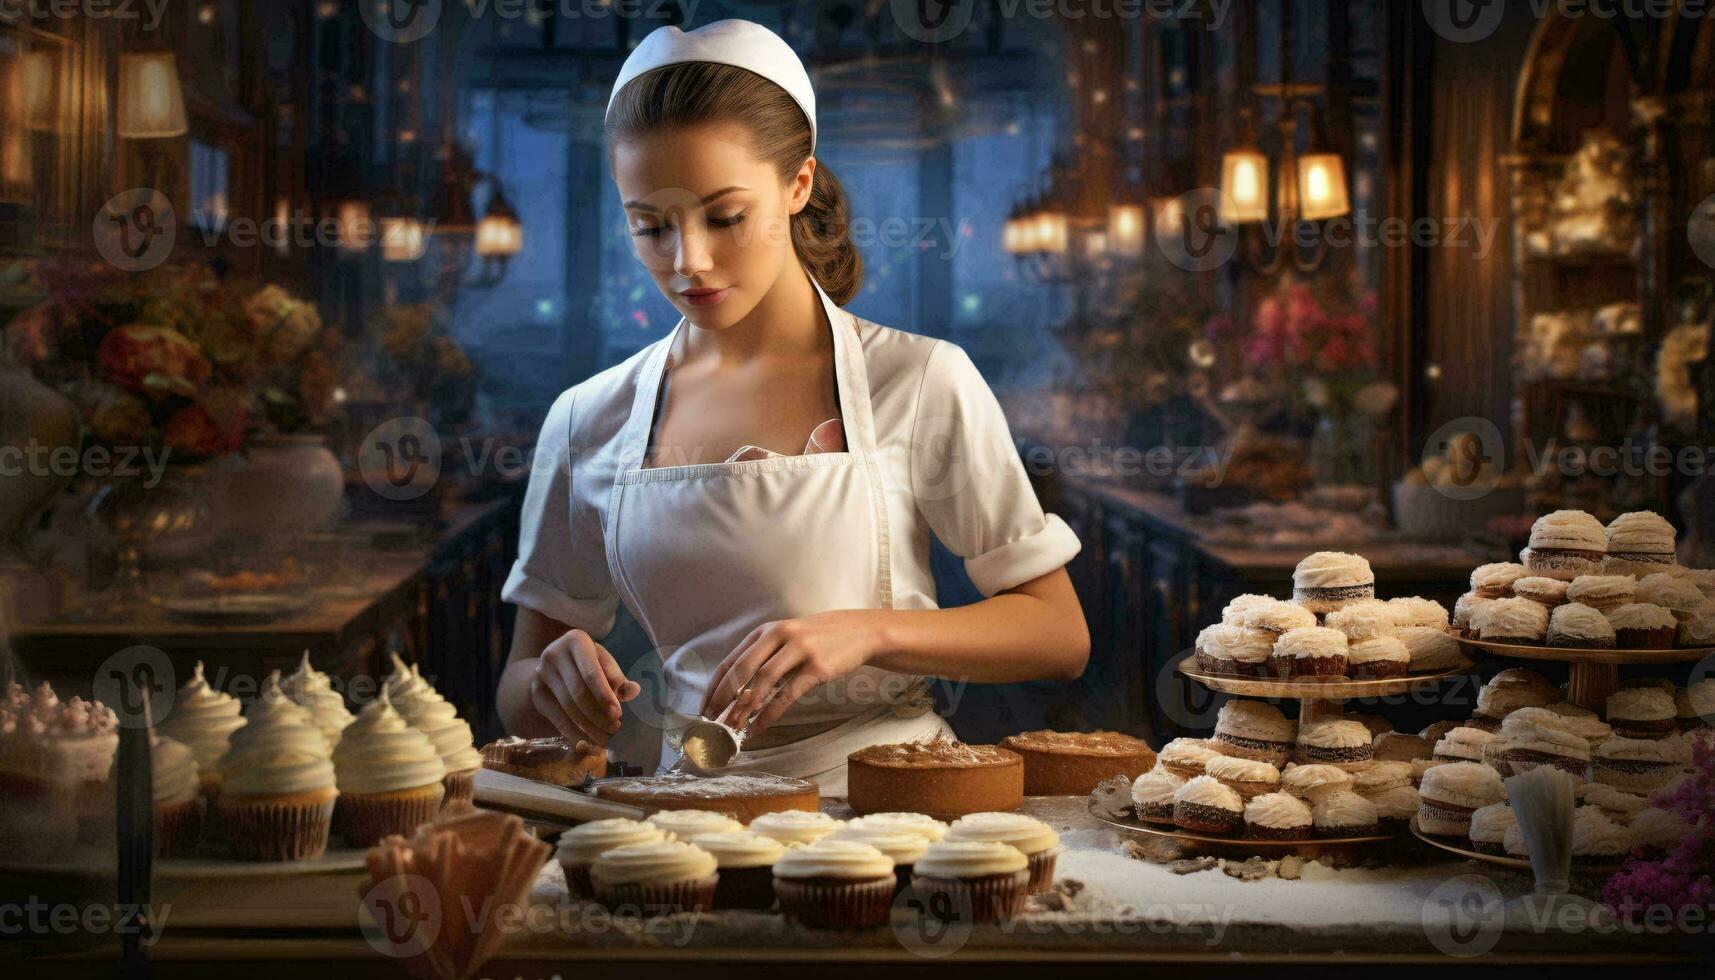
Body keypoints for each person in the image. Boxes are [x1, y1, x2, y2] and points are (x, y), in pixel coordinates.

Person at [495, 19, 1087, 795]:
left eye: (725, 217)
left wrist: (871, 633)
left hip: (891, 803)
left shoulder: (918, 379)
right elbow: (516, 688)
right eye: (650, 226)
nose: (688, 261)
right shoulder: (586, 418)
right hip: (690, 817)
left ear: (797, 185)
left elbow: (1057, 634)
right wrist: (550, 680)